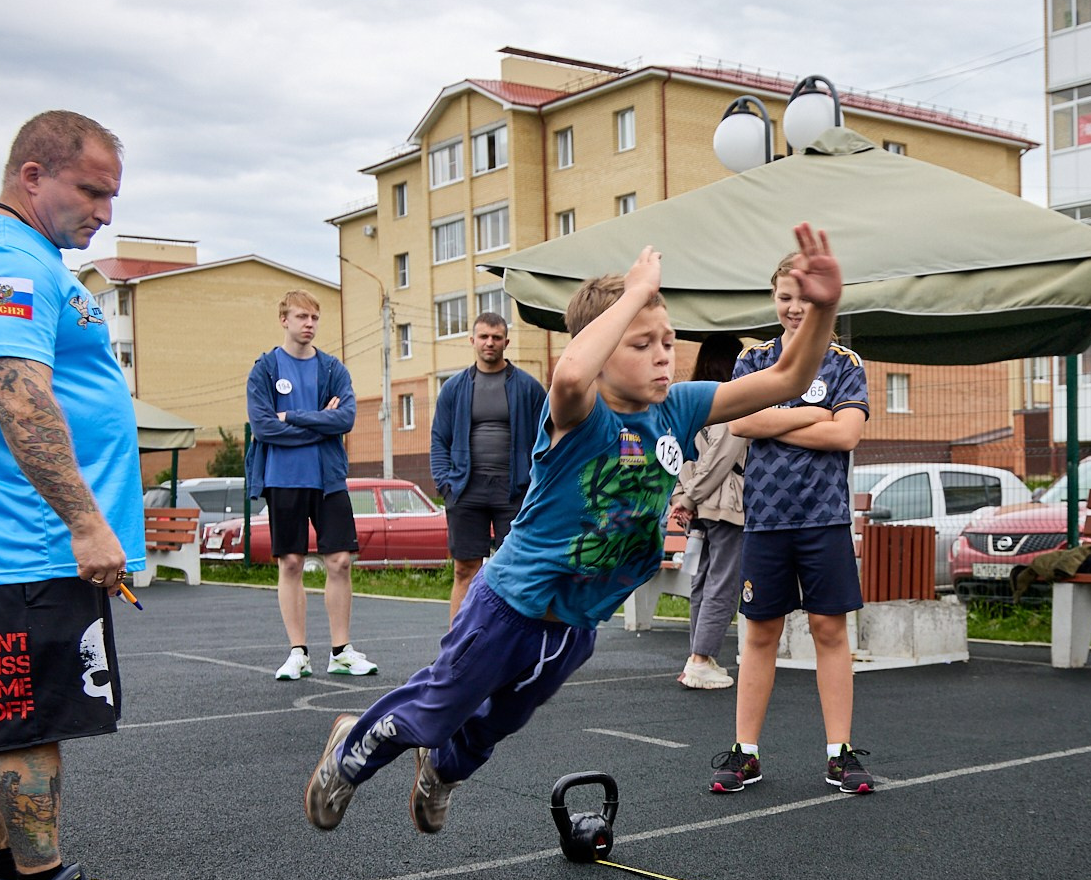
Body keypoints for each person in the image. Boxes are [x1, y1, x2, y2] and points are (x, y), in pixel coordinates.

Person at [302, 227, 841, 837]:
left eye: (668, 341)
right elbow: (570, 374)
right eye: (642, 343)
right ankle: (351, 753)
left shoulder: (679, 407)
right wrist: (635, 291)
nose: (663, 353)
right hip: (509, 607)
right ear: (605, 348)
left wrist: (822, 310)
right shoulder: (580, 413)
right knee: (438, 706)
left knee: (498, 722)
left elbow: (788, 379)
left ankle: (441, 772)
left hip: (576, 624)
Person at [0, 110, 152, 880]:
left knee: (8, 718)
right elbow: (18, 393)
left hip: (21, 537)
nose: (103, 211)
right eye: (91, 190)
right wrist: (86, 523)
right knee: (30, 723)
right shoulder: (4, 259)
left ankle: (9, 876)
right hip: (31, 539)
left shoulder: (20, 258)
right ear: (33, 175)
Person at [705, 256, 873, 795]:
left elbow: (845, 436)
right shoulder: (753, 360)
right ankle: (745, 753)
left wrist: (778, 421)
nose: (794, 306)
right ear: (773, 298)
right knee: (760, 634)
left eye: (804, 296)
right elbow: (739, 420)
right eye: (784, 296)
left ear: (821, 301)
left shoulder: (845, 362)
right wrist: (812, 415)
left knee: (830, 631)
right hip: (766, 520)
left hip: (825, 519)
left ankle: (839, 755)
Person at [245, 291, 377, 680]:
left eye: (315, 317)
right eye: (302, 316)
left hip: (328, 479)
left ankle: (341, 651)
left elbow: (346, 419)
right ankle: (298, 652)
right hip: (282, 479)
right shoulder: (265, 370)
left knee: (339, 561)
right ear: (283, 319)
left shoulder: (333, 369)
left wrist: (296, 417)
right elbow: (263, 427)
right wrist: (319, 423)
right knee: (291, 562)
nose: (310, 324)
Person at [429, 310, 544, 626]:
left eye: (496, 337)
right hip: (466, 491)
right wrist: (445, 485)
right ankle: (457, 647)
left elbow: (546, 440)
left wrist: (535, 485)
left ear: (506, 341)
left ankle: (508, 645)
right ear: (472, 341)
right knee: (465, 569)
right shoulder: (454, 388)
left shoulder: (529, 388)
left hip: (514, 492)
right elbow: (439, 439)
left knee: (515, 571)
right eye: (483, 337)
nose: (489, 343)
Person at [668, 337, 749, 690]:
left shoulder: (687, 399)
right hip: (726, 503)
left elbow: (675, 452)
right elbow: (723, 455)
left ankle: (697, 657)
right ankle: (702, 659)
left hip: (697, 504)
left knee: (702, 579)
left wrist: (682, 496)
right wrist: (692, 496)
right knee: (722, 580)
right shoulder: (733, 399)